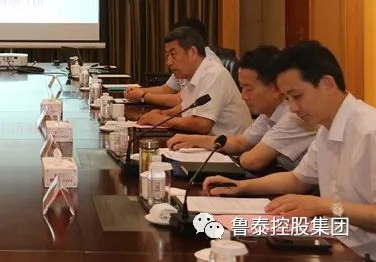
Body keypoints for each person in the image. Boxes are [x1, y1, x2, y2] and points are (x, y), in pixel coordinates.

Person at [203, 41, 376, 258]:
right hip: (332, 238)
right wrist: (241, 186)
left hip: (362, 252)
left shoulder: (370, 131)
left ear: (328, 84)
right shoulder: (326, 128)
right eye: (288, 99)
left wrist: (325, 206)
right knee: (224, 235)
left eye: (297, 96)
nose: (293, 108)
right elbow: (297, 178)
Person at [168, 45, 315, 171]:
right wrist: (193, 140)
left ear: (276, 88)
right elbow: (240, 142)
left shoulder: (294, 116)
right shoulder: (267, 114)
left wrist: (242, 155)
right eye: (241, 88)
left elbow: (252, 160)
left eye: (249, 89)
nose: (243, 96)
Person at [136, 26, 251, 135]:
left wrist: (161, 120)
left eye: (173, 54)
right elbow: (186, 106)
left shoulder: (213, 74)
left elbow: (202, 124)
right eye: (167, 55)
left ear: (192, 52)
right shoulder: (191, 74)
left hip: (230, 147)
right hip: (207, 142)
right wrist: (164, 113)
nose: (169, 62)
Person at [125, 18, 224, 108]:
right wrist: (138, 91)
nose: (168, 63)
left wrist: (143, 96)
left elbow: (179, 100)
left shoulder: (209, 65)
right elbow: (167, 89)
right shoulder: (186, 62)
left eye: (173, 53)